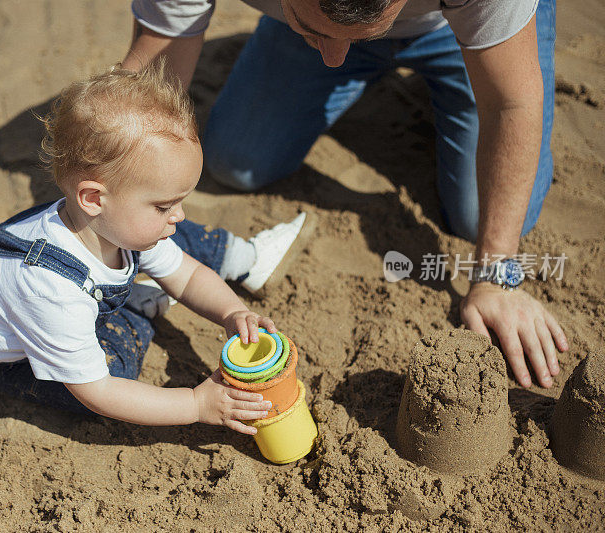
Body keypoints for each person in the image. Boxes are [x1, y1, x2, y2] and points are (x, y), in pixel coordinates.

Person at [123, 0, 569, 389]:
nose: (335, 58)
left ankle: (466, 53)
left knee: (480, 217)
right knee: (236, 161)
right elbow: (154, 70)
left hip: (455, 26)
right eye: (316, 27)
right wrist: (111, 189)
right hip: (311, 22)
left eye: (356, 36)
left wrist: (496, 276)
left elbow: (511, 104)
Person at [0, 63, 312, 434]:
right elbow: (99, 392)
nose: (179, 214)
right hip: (3, 356)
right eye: (165, 205)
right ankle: (133, 310)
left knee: (167, 237)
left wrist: (233, 312)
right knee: (116, 373)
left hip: (52, 283)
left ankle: (238, 259)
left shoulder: (109, 223)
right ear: (93, 198)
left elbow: (188, 274)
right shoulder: (51, 292)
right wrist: (195, 404)